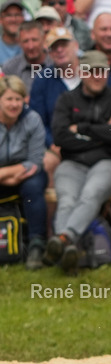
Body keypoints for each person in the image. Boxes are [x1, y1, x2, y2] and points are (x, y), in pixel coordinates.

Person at [45, 50, 111, 274]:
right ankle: (69, 251)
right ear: (82, 72)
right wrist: (103, 134)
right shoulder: (67, 99)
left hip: (107, 163)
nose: (97, 76)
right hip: (72, 163)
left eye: (101, 71)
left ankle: (64, 239)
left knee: (90, 194)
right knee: (67, 200)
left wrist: (82, 130)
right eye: (92, 71)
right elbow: (61, 138)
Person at [0, 76, 48, 269]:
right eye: (9, 99)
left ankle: (36, 243)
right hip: (10, 174)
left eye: (18, 99)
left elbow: (35, 161)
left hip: (24, 175)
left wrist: (5, 174)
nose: (14, 104)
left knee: (34, 185)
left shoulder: (32, 119)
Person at [2, 21, 47, 93]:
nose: (31, 46)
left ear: (43, 38)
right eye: (26, 41)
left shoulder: (57, 64)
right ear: (19, 42)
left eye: (34, 40)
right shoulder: (10, 68)